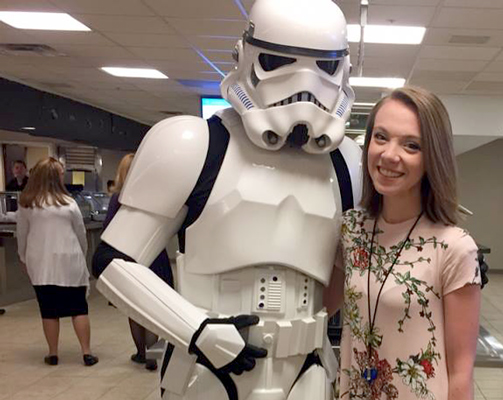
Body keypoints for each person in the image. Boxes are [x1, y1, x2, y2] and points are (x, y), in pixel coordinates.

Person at [91, 0, 361, 398]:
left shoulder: (348, 162)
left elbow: (348, 268)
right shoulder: (191, 144)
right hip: (207, 371)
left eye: (324, 66)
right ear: (245, 56)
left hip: (307, 371)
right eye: (278, 60)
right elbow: (113, 263)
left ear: (344, 70)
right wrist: (196, 331)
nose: (304, 85)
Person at [325, 86, 482, 400]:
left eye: (411, 145)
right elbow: (319, 307)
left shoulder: (453, 247)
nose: (389, 155)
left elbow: (460, 372)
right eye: (381, 137)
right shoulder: (352, 229)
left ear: (432, 158)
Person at [15, 157, 98, 366]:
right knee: (79, 308)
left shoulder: (27, 203)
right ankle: (86, 352)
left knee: (48, 310)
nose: (63, 176)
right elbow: (81, 234)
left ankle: (53, 353)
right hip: (70, 262)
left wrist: (23, 257)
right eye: (61, 173)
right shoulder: (69, 203)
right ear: (54, 177)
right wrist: (83, 256)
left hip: (41, 264)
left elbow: (22, 235)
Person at [102, 153, 173, 371]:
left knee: (134, 309)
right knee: (152, 308)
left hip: (128, 257)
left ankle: (141, 353)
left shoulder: (118, 199)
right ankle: (153, 355)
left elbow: (108, 229)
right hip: (154, 256)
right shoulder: (155, 197)